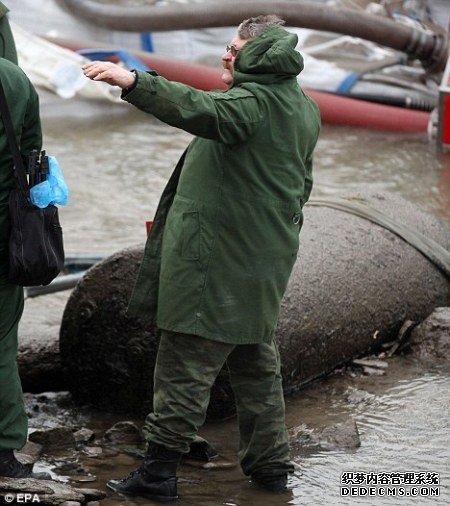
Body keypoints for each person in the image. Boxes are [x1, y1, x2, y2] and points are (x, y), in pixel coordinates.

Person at [83, 14, 321, 502]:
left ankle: (157, 474)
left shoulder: (251, 103)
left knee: (184, 364)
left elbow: (195, 107)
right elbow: (303, 185)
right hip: (263, 261)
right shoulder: (301, 105)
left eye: (235, 49)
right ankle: (271, 471)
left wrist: (134, 82)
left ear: (260, 56)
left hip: (218, 261)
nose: (225, 55)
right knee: (257, 366)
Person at [0, 57, 49, 479]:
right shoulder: (14, 78)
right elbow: (33, 153)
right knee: (1, 341)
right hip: (6, 231)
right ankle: (4, 449)